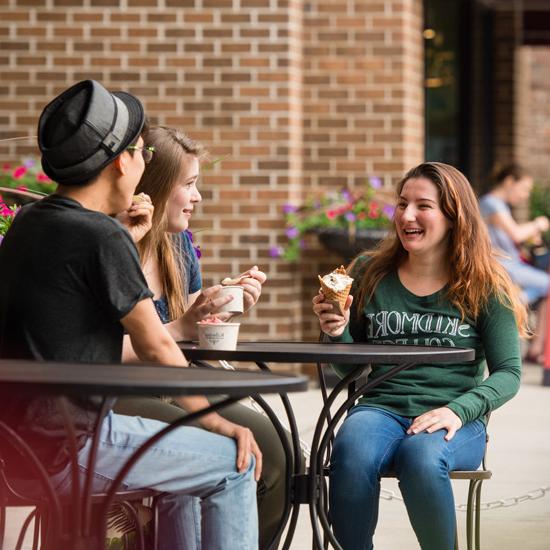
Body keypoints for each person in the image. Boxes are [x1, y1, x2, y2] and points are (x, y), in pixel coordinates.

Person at [0, 80, 259, 550]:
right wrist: (217, 421)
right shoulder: (99, 235)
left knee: (184, 472)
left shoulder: (30, 224)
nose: (144, 166)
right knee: (231, 463)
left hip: (15, 448)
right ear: (122, 160)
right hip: (67, 448)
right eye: (142, 152)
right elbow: (155, 345)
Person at [312, 162, 527, 550]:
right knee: (351, 449)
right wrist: (336, 332)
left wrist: (459, 410)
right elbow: (349, 367)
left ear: (453, 216)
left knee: (421, 459)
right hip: (381, 407)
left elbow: (509, 373)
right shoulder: (369, 272)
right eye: (401, 204)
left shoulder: (485, 284)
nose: (407, 215)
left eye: (422, 206)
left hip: (455, 417)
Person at [114, 125, 293, 550]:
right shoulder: (113, 243)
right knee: (233, 449)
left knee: (279, 450)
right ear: (154, 189)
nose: (197, 198)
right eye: (189, 185)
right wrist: (179, 329)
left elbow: (194, 333)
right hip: (116, 394)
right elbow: (95, 349)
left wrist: (227, 308)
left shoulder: (178, 248)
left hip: (176, 386)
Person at [479, 163, 549, 363]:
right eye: (524, 188)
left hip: (510, 264)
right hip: (503, 266)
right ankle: (514, 302)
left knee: (545, 291)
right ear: (510, 181)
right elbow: (516, 234)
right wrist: (538, 224)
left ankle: (535, 346)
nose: (526, 195)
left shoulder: (498, 206)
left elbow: (508, 240)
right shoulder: (491, 203)